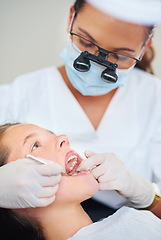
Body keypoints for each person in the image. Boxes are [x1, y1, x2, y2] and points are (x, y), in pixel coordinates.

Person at [0, 0, 161, 221]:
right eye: (86, 42)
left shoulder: (155, 99)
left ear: (145, 47)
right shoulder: (14, 98)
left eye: (120, 56)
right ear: (70, 19)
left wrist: (145, 194)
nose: (97, 64)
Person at [0, 122, 161, 240]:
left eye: (52, 134)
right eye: (35, 145)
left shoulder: (134, 223)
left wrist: (146, 194)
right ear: (15, 196)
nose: (63, 138)